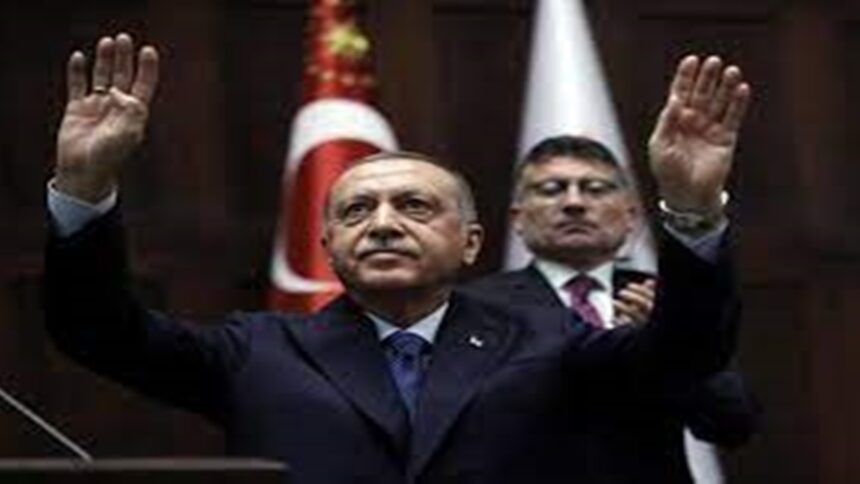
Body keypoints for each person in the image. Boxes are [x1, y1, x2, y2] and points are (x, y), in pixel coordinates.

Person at [44, 33, 746, 484]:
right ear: (328, 245)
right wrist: (83, 188)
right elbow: (96, 330)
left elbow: (686, 353)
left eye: (414, 206)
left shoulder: (551, 339)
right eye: (356, 211)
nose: (382, 224)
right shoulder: (256, 349)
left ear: (471, 242)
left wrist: (690, 209)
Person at [467, 131, 759, 482]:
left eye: (595, 189)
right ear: (518, 219)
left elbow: (732, 423)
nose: (574, 203)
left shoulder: (668, 299)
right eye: (551, 190)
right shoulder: (476, 307)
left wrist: (670, 343)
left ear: (631, 216)